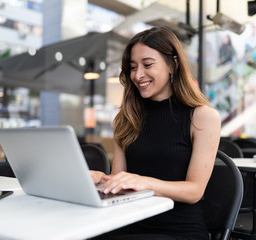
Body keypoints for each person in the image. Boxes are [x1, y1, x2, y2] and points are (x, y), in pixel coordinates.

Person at [91, 27, 221, 240]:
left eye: (147, 64)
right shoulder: (125, 118)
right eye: (133, 67)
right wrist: (100, 180)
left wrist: (146, 182)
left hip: (178, 230)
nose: (138, 75)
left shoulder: (203, 117)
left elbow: (194, 191)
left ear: (173, 64)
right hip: (128, 221)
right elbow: (120, 181)